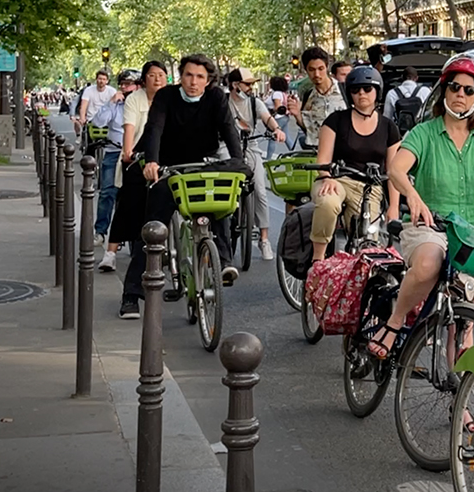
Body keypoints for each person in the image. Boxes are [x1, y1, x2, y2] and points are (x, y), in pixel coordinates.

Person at [374, 55, 474, 359]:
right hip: (431, 227)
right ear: (444, 90)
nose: (461, 95)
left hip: (473, 236)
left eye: (469, 90)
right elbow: (397, 170)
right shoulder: (424, 132)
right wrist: (413, 197)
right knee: (428, 265)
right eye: (455, 87)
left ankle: (459, 399)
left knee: (466, 320)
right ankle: (395, 321)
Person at [118, 54, 245, 319]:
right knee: (153, 229)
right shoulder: (166, 96)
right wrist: (152, 161)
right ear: (180, 76)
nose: (193, 82)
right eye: (188, 75)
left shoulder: (216, 98)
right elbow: (154, 129)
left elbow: (228, 129)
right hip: (169, 167)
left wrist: (239, 162)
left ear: (208, 80)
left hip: (203, 165)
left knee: (221, 202)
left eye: (200, 77)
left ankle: (223, 262)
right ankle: (131, 293)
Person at [310, 65, 401, 262]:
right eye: (355, 90)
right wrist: (328, 178)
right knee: (327, 202)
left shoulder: (389, 127)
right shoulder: (335, 120)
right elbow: (323, 160)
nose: (362, 94)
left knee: (369, 241)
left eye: (367, 89)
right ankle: (317, 259)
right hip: (337, 181)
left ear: (377, 91)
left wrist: (394, 206)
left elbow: (394, 171)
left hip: (370, 188)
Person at [110, 61, 168, 318]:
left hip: (170, 163)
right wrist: (128, 153)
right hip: (142, 160)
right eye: (152, 75)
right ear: (144, 80)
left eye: (162, 75)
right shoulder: (135, 99)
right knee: (141, 223)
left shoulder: (174, 99)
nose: (157, 79)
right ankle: (131, 294)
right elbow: (135, 129)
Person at [226, 68, 286, 260]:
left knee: (260, 190)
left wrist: (277, 129)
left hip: (251, 145)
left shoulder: (254, 102)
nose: (251, 87)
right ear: (235, 85)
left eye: (252, 84)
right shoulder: (224, 103)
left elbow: (267, 118)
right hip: (227, 147)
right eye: (247, 84)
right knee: (224, 191)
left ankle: (264, 239)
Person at [89, 68, 139, 272]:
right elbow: (98, 122)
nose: (125, 88)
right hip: (114, 151)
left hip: (136, 155)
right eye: (122, 85)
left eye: (129, 84)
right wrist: (111, 103)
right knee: (108, 190)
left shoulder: (142, 103)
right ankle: (100, 231)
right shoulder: (115, 104)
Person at [289, 46, 346, 150]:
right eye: (311, 70)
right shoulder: (308, 96)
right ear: (306, 70)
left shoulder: (345, 91)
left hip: (344, 153)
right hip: (318, 154)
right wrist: (297, 115)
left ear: (327, 67)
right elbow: (310, 130)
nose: (317, 74)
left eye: (321, 69)